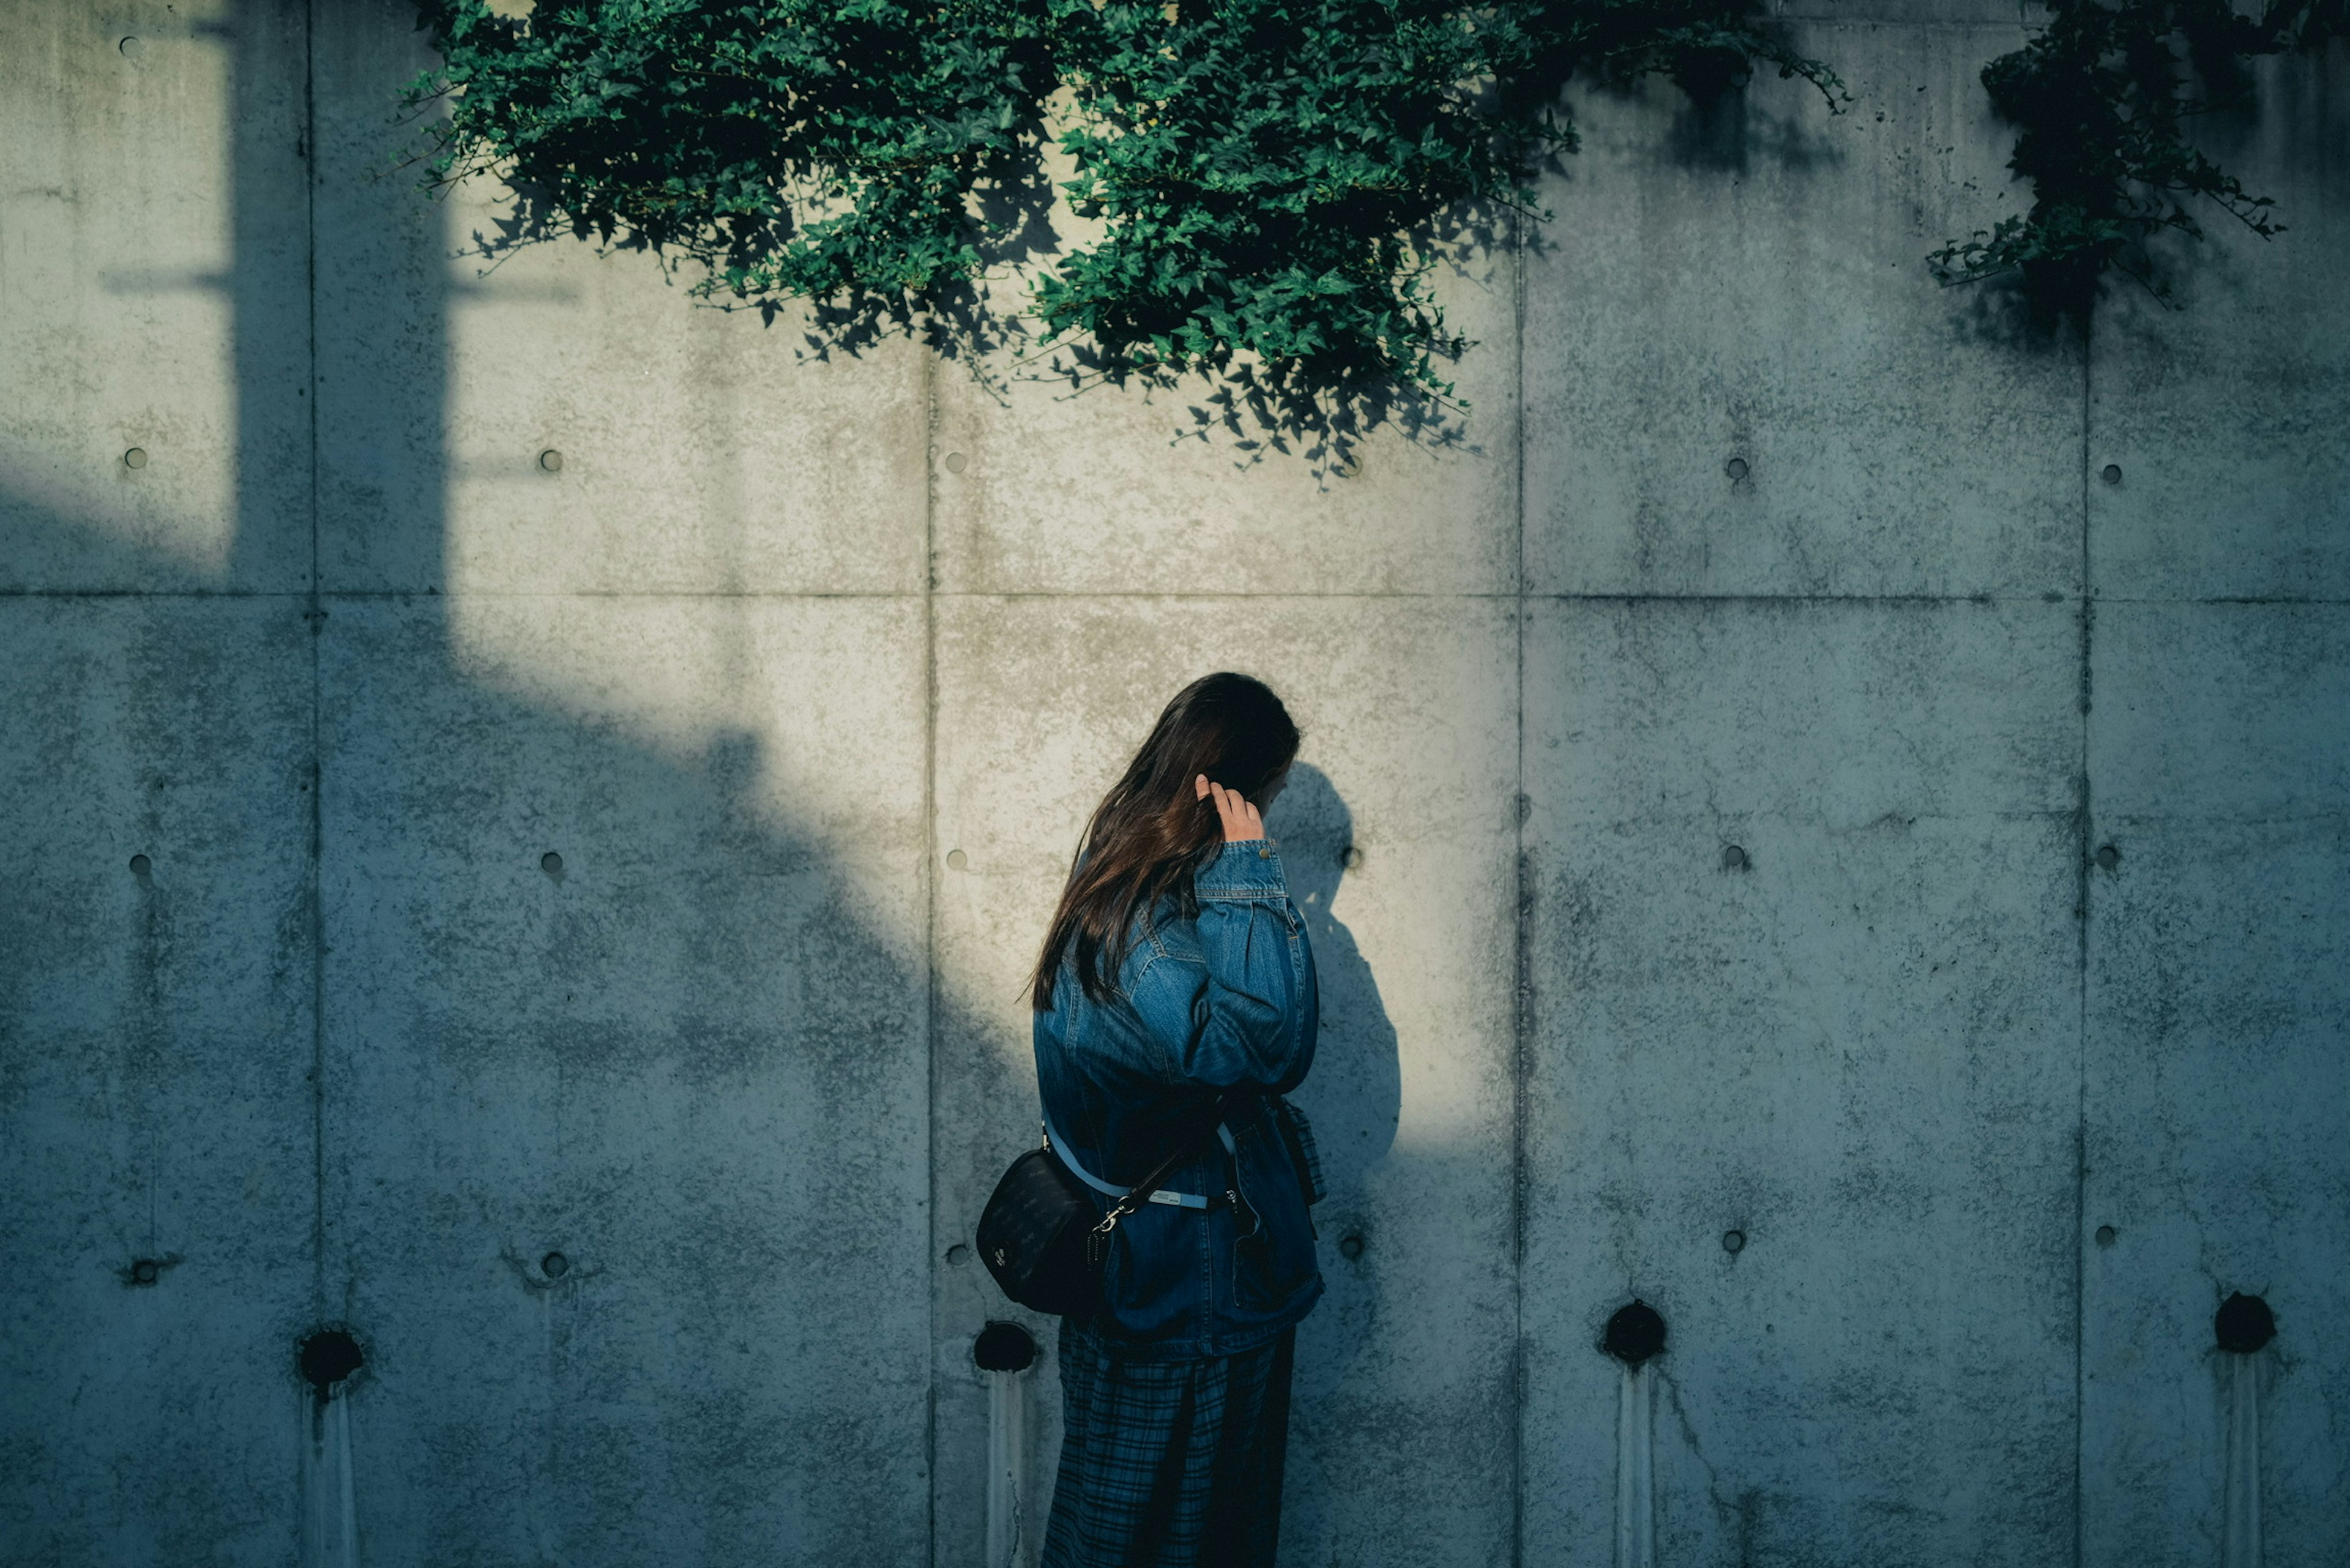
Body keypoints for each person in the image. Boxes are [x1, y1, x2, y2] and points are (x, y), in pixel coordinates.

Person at [1027, 671, 1326, 1568]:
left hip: (1136, 1276)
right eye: (1265, 796)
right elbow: (1266, 1049)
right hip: (1189, 1291)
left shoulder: (1112, 869)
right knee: (1188, 1535)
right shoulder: (1153, 921)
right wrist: (1249, 872)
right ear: (1229, 792)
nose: (1267, 816)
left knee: (1114, 1521)